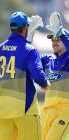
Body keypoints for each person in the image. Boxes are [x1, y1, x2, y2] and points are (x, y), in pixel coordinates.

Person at [0, 11, 50, 140]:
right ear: (26, 27)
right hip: (25, 109)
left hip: (2, 110)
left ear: (11, 28)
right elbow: (38, 76)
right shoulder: (29, 50)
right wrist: (46, 84)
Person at [39, 12, 69, 140]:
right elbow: (27, 58)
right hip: (47, 110)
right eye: (53, 39)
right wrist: (28, 39)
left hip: (65, 110)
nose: (54, 42)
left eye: (59, 39)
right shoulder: (47, 60)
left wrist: (62, 31)